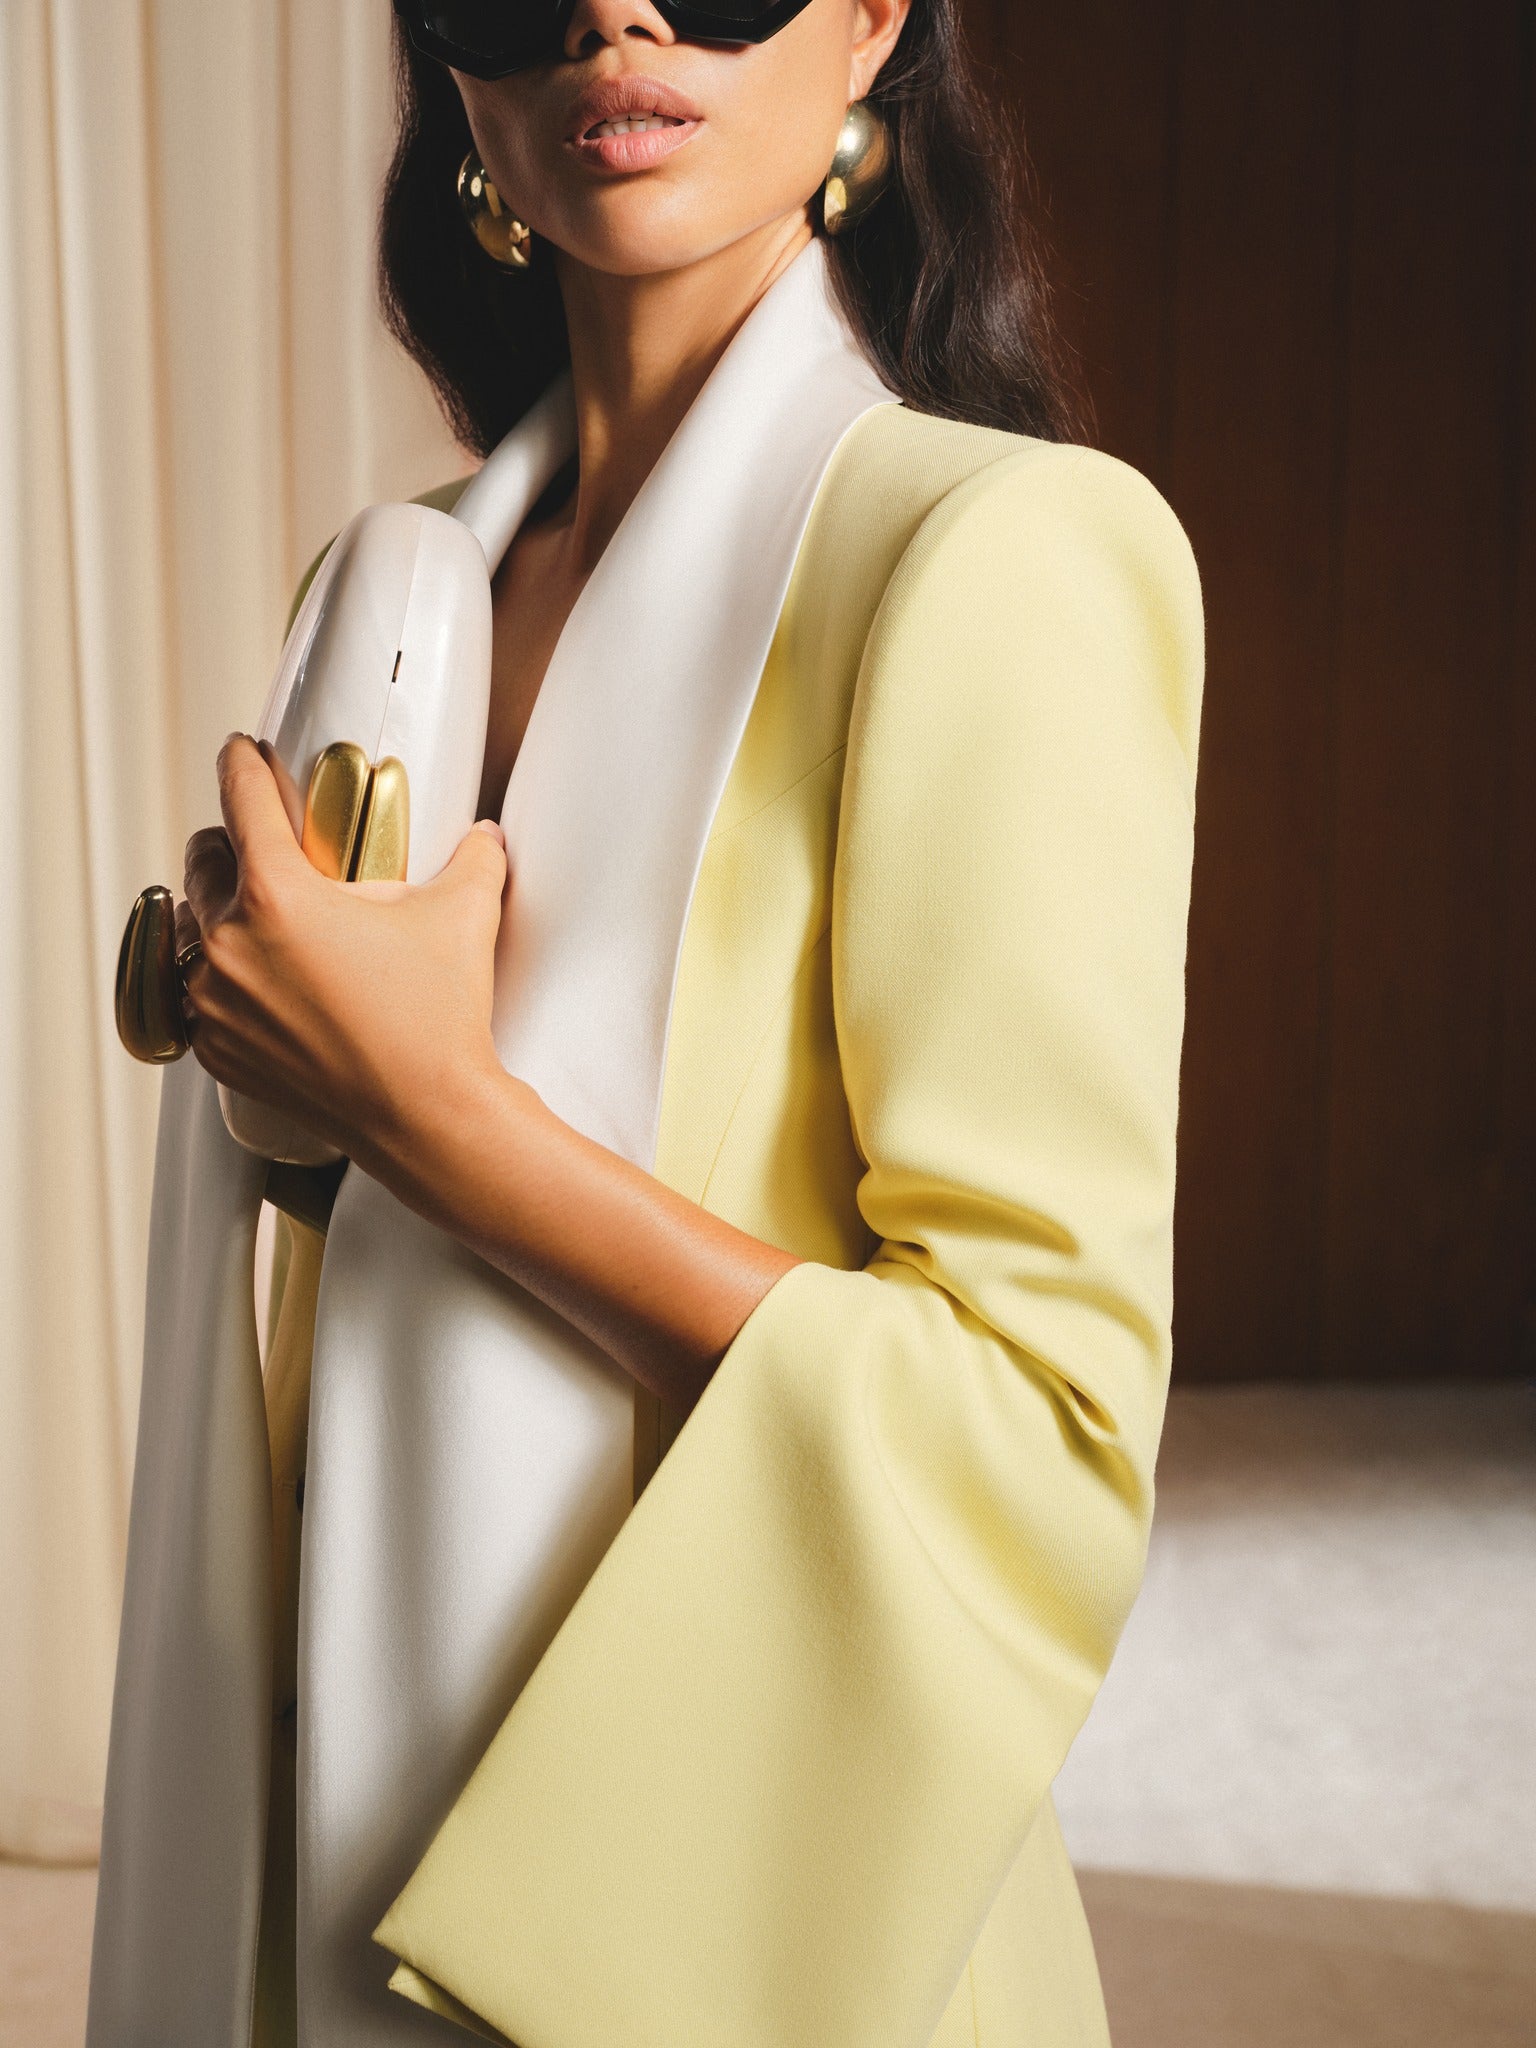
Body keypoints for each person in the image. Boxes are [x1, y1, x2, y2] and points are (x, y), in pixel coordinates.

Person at [87, 0, 1204, 2042]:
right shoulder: (396, 586)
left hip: (682, 1888)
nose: (618, 12)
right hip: (327, 1782)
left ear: (875, 23)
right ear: (451, 68)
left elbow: (1031, 1437)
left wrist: (443, 1120)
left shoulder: (1004, 557)